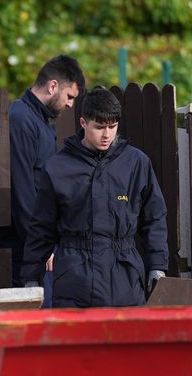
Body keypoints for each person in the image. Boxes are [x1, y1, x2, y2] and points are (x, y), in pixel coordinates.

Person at [20, 88, 169, 308]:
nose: (107, 134)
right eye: (99, 127)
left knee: (126, 341)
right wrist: (31, 276)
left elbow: (154, 218)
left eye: (112, 126)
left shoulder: (136, 163)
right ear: (83, 123)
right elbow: (41, 227)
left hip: (125, 280)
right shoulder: (58, 167)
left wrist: (157, 265)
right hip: (75, 282)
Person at [4, 55, 84, 305]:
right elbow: (24, 189)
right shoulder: (21, 117)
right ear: (52, 86)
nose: (71, 105)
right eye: (69, 96)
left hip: (43, 243)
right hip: (30, 248)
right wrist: (40, 246)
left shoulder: (39, 120)